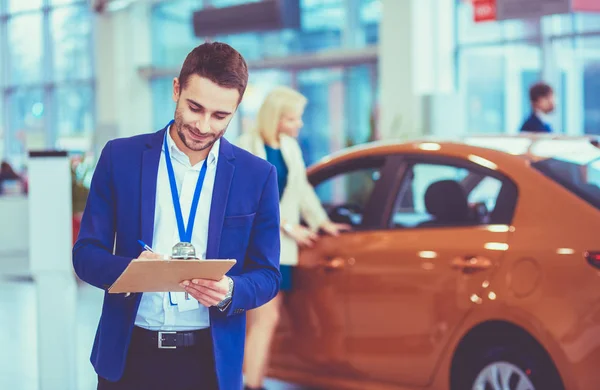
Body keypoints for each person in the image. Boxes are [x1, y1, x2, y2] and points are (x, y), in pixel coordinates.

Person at [73, 42, 281, 390]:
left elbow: (268, 275)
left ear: (236, 109)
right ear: (176, 90)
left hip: (209, 363)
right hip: (128, 357)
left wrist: (230, 289)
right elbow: (85, 254)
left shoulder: (257, 175)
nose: (203, 125)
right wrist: (131, 272)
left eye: (220, 116)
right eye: (195, 107)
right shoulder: (119, 158)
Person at [236, 86, 350, 390]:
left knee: (266, 320)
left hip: (282, 250)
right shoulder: (245, 147)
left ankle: (251, 382)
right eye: (293, 118)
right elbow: (249, 201)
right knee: (265, 319)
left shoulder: (289, 148)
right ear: (276, 117)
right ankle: (251, 384)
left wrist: (323, 223)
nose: (299, 124)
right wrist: (288, 226)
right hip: (255, 247)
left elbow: (301, 190)